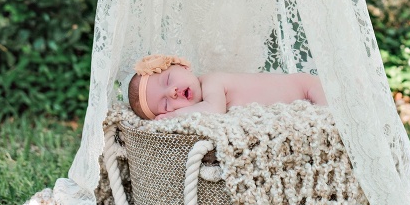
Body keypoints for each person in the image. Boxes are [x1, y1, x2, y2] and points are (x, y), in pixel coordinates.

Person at [127, 54, 327, 119]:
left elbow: (213, 110)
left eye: (168, 80)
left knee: (331, 121)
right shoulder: (203, 96)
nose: (172, 92)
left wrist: (169, 115)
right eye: (166, 104)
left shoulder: (212, 81)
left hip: (306, 87)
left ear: (182, 65)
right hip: (298, 107)